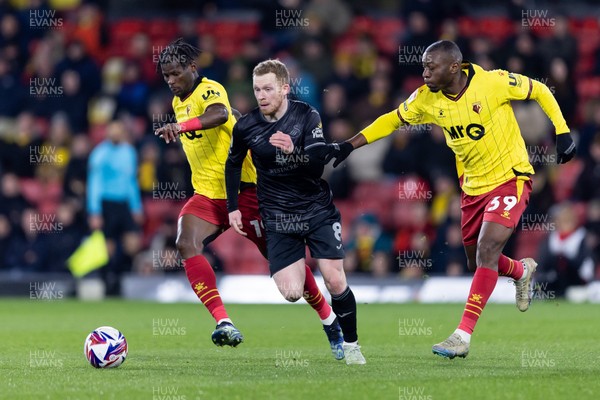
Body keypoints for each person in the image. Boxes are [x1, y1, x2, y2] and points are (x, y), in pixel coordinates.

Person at [314, 40, 576, 359]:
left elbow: (540, 90)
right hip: (472, 188)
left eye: (430, 66)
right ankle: (521, 272)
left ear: (454, 67)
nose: (424, 73)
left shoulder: (493, 82)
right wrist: (349, 145)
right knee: (475, 260)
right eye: (423, 66)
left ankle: (461, 335)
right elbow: (393, 119)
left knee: (487, 250)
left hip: (511, 177)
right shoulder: (426, 99)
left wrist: (562, 132)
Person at [154, 39, 341, 353]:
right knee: (186, 242)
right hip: (209, 195)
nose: (171, 81)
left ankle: (329, 318)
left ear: (192, 68)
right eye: (166, 77)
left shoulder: (209, 90)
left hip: (249, 194)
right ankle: (223, 322)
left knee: (286, 266)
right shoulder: (177, 103)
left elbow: (218, 113)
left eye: (176, 74)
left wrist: (183, 126)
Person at [225, 59, 366, 364]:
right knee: (290, 291)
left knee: (335, 280)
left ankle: (353, 346)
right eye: (256, 89)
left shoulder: (306, 115)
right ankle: (329, 322)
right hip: (277, 216)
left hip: (315, 209)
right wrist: (233, 207)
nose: (261, 95)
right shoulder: (246, 126)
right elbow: (233, 163)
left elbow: (318, 166)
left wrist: (293, 151)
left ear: (285, 88)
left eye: (268, 89)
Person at [88, 120, 143, 295]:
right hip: (106, 203)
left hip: (124, 203)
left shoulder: (129, 152)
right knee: (108, 247)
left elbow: (131, 181)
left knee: (132, 243)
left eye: (118, 131)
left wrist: (136, 207)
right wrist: (94, 211)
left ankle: (119, 275)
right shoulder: (99, 153)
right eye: (112, 131)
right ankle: (107, 281)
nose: (115, 134)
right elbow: (94, 183)